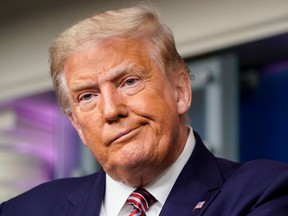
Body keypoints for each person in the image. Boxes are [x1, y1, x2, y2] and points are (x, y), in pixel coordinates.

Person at [1, 3, 288, 216]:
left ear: (180, 92)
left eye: (129, 81)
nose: (111, 110)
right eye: (87, 96)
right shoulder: (23, 210)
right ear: (76, 125)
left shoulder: (263, 191)